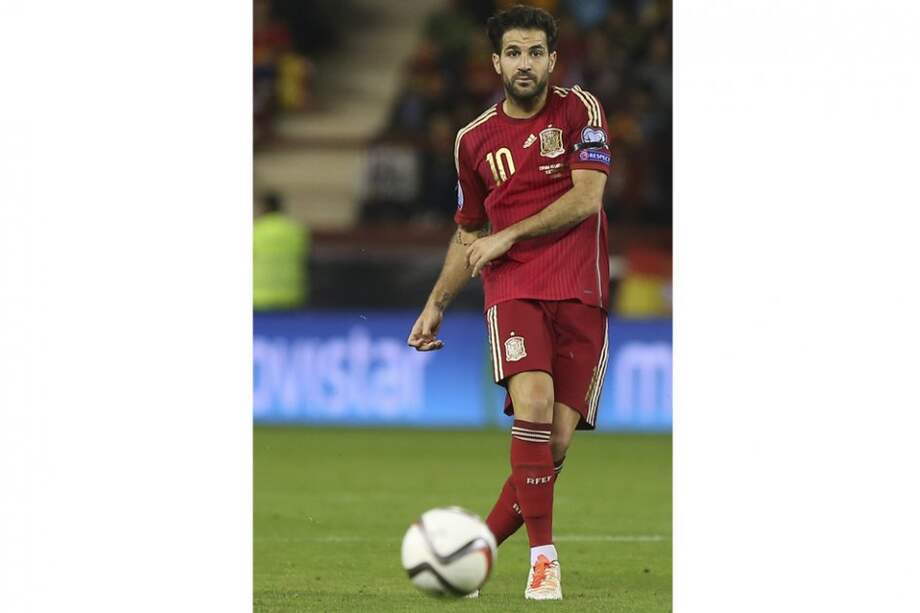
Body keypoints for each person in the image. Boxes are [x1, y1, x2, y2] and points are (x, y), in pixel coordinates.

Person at [407, 4, 613, 601]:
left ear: (552, 58)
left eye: (535, 52)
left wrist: (509, 231)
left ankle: (470, 555)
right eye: (514, 53)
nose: (525, 63)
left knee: (552, 446)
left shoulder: (581, 110)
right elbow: (470, 231)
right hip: (514, 285)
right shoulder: (472, 141)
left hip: (581, 287)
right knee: (535, 399)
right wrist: (437, 302)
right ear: (496, 62)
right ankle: (544, 560)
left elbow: (588, 198)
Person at [253, 192, 310, 310]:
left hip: (259, 297)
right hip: (291, 295)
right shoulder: (296, 230)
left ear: (264, 208)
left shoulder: (255, 230)